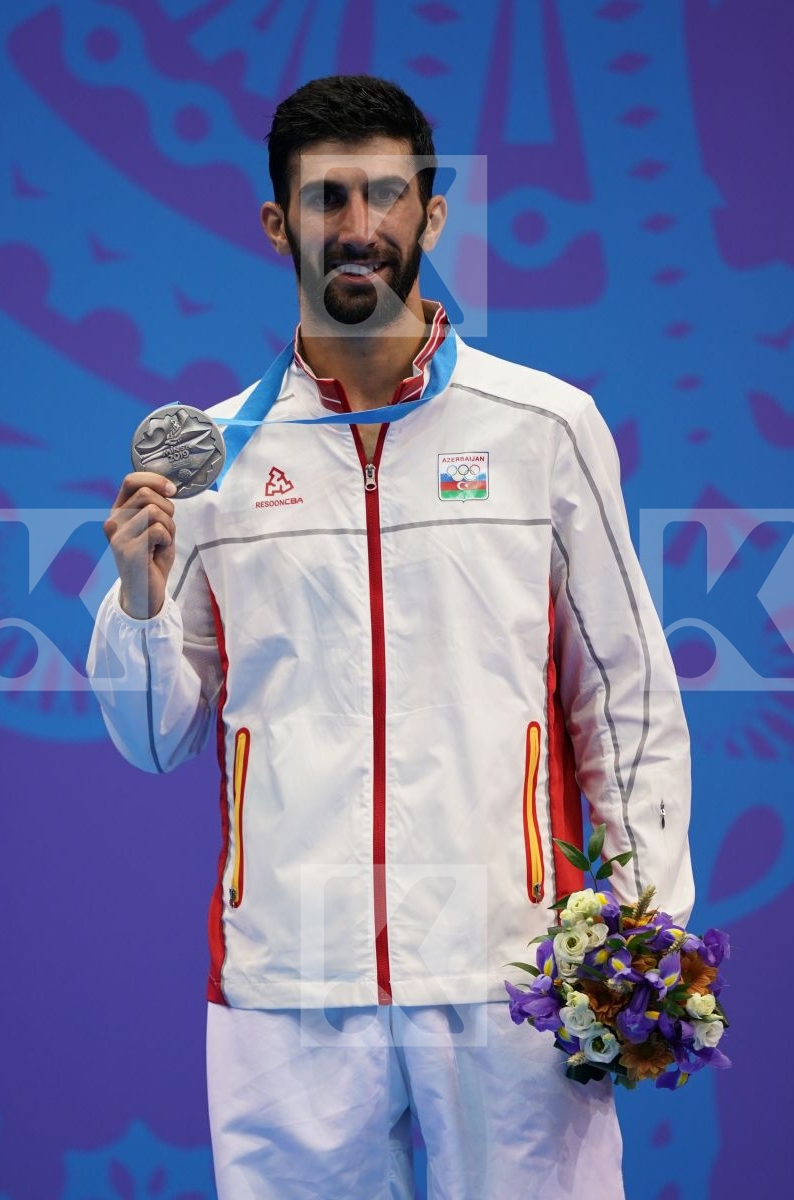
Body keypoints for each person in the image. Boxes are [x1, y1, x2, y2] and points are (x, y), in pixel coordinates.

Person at [87, 74, 694, 1200]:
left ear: (432, 213)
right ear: (279, 224)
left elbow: (624, 699)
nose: (357, 225)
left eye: (384, 194)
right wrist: (138, 600)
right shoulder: (214, 456)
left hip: (510, 963)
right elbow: (153, 738)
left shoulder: (543, 426)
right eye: (327, 199)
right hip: (289, 970)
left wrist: (640, 931)